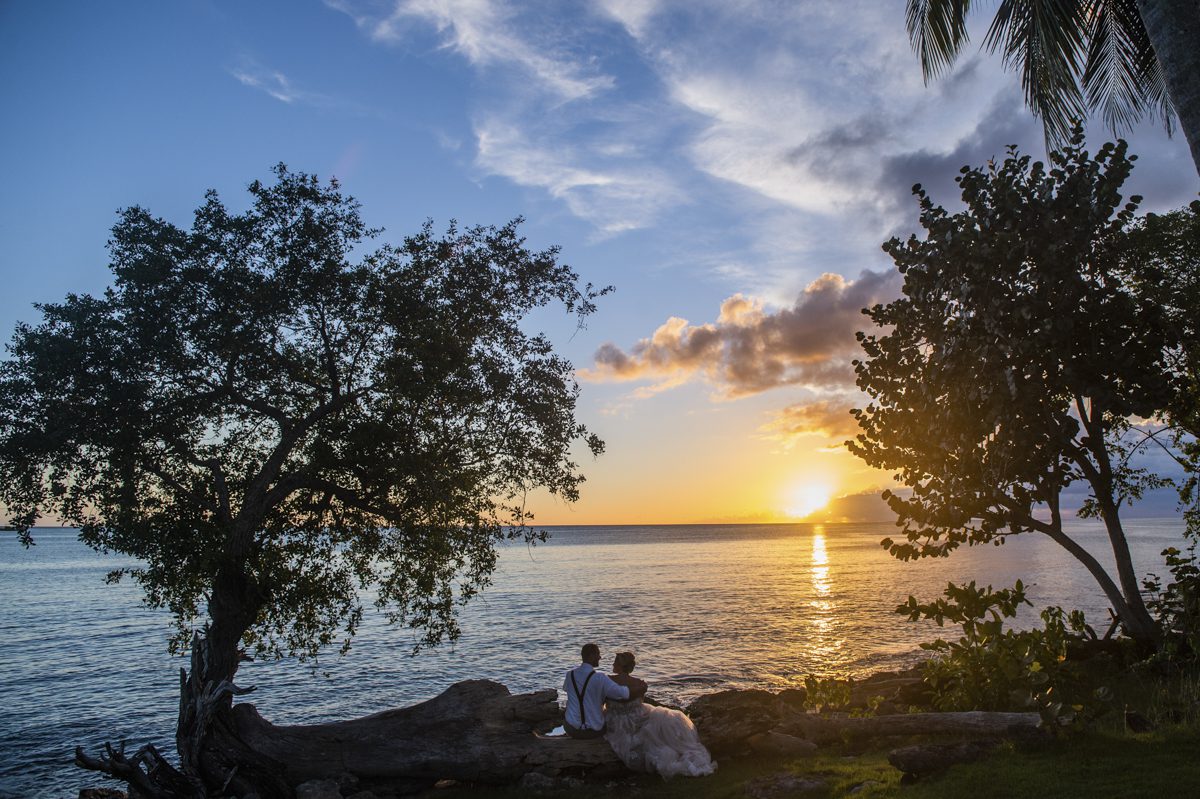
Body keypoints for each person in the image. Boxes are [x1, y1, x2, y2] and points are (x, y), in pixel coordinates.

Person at [604, 651, 716, 779]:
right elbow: (638, 700)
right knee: (658, 732)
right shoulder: (640, 684)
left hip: (616, 720)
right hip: (639, 716)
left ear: (618, 665)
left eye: (614, 662)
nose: (612, 664)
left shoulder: (607, 680)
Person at [562, 643, 642, 739]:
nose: (600, 657)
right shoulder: (600, 678)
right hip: (594, 731)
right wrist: (641, 688)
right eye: (598, 654)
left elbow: (566, 689)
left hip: (571, 729)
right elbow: (623, 693)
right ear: (591, 656)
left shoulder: (569, 675)